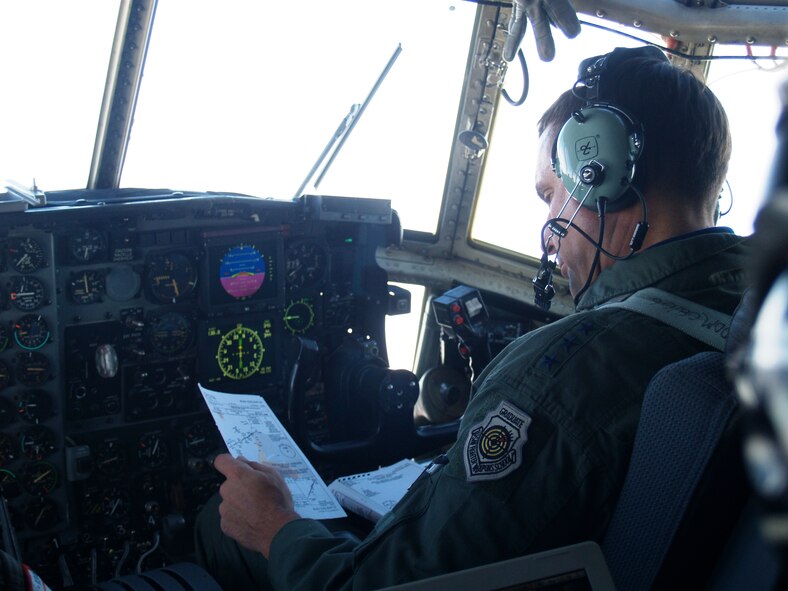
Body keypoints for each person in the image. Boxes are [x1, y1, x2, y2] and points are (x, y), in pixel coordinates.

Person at [194, 46, 752, 590]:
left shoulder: (562, 375)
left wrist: (276, 530)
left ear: (601, 170)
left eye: (551, 193)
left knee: (217, 528)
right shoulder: (760, 308)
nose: (554, 238)